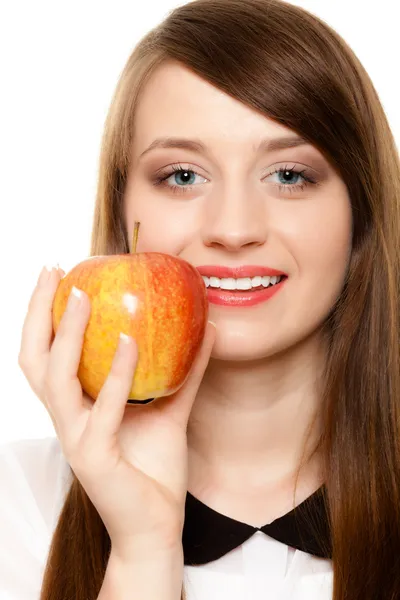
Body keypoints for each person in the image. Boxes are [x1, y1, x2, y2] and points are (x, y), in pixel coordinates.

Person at [1, 0, 400, 598]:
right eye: (183, 176)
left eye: (289, 175)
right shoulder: (18, 505)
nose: (234, 228)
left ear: (360, 212)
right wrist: (140, 553)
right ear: (124, 208)